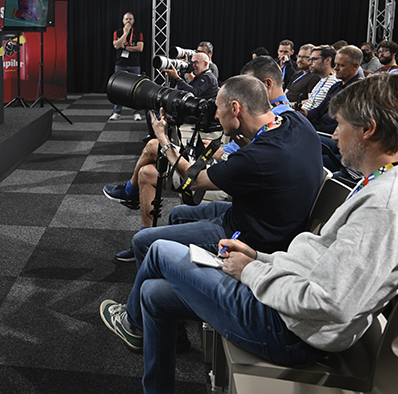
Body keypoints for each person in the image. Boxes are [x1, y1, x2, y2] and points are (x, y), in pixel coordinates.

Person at [99, 74, 398, 394]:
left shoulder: (383, 206)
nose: (334, 134)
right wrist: (261, 259)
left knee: (157, 249)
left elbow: (332, 303)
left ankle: (132, 326)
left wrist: (252, 271)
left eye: (341, 125)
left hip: (290, 331)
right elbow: (323, 268)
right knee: (152, 295)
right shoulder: (374, 181)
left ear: (368, 129)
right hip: (287, 296)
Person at [104, 69, 320, 261]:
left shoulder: (257, 157)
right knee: (178, 213)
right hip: (261, 217)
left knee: (142, 241)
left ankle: (149, 298)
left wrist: (163, 138)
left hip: (249, 237)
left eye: (218, 108)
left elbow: (193, 180)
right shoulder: (294, 120)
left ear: (235, 108)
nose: (216, 115)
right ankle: (174, 271)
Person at [301, 45, 363, 135]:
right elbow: (319, 110)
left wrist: (314, 128)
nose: (336, 68)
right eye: (336, 64)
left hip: (333, 135)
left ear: (355, 66)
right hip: (320, 129)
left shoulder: (359, 90)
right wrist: (305, 113)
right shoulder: (336, 86)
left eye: (341, 65)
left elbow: (346, 125)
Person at [110, 12, 144, 121]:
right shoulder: (118, 32)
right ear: (123, 20)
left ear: (133, 21)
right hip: (120, 64)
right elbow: (116, 45)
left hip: (134, 64)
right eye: (126, 19)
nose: (128, 21)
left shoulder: (138, 33)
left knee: (136, 88)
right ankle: (117, 112)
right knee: (118, 88)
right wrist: (126, 33)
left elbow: (140, 48)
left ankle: (136, 112)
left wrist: (124, 47)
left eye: (130, 19)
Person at [300, 44, 338, 111]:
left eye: (314, 59)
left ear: (328, 60)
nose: (309, 63)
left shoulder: (335, 81)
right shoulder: (322, 80)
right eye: (309, 60)